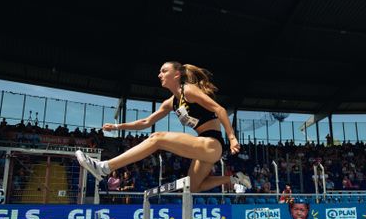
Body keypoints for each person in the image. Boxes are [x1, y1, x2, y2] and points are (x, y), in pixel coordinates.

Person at [75, 62, 249, 192]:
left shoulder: (188, 90)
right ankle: (233, 179)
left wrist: (232, 137)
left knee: (157, 138)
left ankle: (105, 167)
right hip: (202, 147)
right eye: (160, 72)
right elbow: (145, 122)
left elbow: (219, 109)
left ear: (177, 74)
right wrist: (117, 125)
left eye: (164, 71)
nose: (159, 74)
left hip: (212, 143)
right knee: (193, 187)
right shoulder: (170, 103)